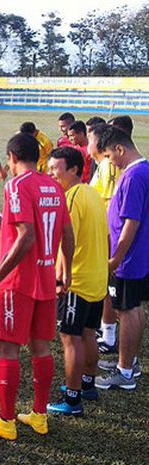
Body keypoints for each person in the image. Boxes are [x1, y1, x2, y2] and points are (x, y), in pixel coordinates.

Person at [0, 133, 74, 441]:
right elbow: (68, 235)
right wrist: (65, 271)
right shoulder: (54, 187)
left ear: (12, 157)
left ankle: (6, 420)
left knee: (8, 348)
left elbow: (26, 235)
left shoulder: (16, 185)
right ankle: (39, 416)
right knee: (41, 347)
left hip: (17, 283)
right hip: (46, 280)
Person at [47, 147, 108, 415]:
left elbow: (65, 242)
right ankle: (87, 384)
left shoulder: (70, 198)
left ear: (73, 169)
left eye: (55, 168)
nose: (51, 173)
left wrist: (61, 279)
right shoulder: (93, 194)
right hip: (97, 277)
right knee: (88, 333)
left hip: (77, 281)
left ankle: (72, 401)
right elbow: (105, 238)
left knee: (69, 338)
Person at [94, 124, 149, 390]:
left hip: (128, 259)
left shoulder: (134, 175)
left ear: (119, 148)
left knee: (127, 310)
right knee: (132, 308)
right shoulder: (140, 171)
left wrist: (115, 258)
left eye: (108, 155)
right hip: (134, 257)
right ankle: (130, 362)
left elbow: (131, 223)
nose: (109, 161)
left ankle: (125, 372)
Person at [90, 121, 127, 353]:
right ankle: (106, 330)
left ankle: (110, 335)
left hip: (109, 234)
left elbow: (108, 199)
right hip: (107, 232)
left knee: (109, 286)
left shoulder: (109, 166)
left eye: (91, 140)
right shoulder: (104, 164)